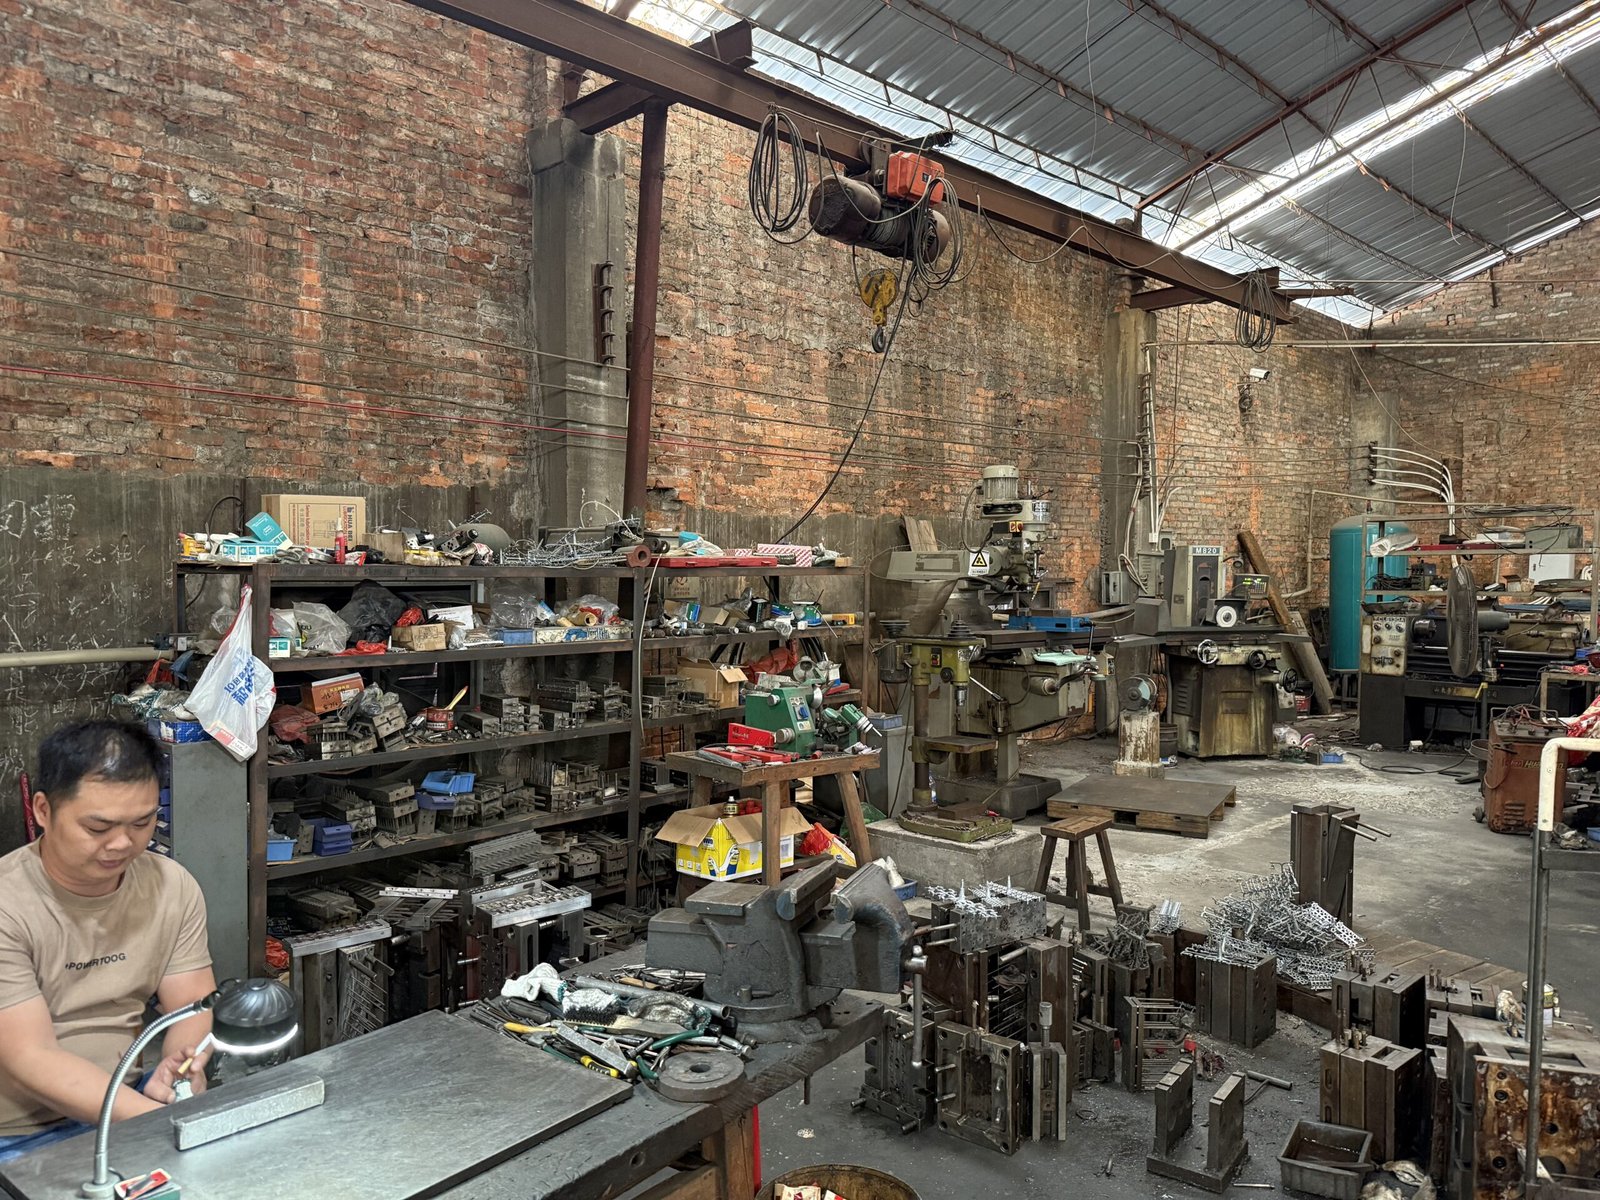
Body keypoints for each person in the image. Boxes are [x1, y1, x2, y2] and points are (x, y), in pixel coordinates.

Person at [0, 720, 217, 1163]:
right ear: (43, 810)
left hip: (128, 1100)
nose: (122, 844)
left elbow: (194, 1004)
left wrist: (180, 1068)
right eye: (98, 827)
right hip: (16, 1134)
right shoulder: (9, 903)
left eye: (142, 822)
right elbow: (30, 1055)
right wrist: (154, 1121)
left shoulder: (171, 887)